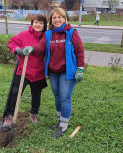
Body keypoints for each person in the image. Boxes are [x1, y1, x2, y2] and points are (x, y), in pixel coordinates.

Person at [23, 8, 85, 138]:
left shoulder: (71, 32)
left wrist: (80, 68)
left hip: (67, 72)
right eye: (54, 18)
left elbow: (79, 51)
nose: (57, 20)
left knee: (65, 98)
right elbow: (40, 46)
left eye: (59, 17)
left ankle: (63, 126)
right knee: (57, 97)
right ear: (51, 20)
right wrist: (32, 48)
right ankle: (60, 120)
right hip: (53, 72)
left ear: (64, 18)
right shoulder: (49, 34)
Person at [2, 14, 48, 128]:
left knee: (36, 95)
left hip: (38, 72)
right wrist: (17, 49)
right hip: (22, 70)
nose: (38, 24)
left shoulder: (46, 38)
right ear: (32, 23)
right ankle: (9, 117)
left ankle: (33, 114)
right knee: (15, 93)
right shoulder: (23, 35)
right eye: (36, 22)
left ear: (44, 25)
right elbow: (11, 42)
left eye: (41, 23)